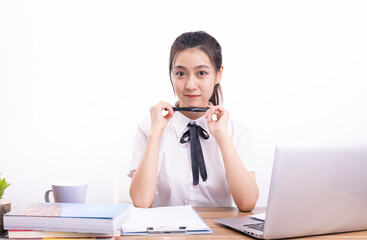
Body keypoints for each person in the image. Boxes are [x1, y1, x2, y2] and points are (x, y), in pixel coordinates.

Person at [128, 31, 259, 211]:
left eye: (202, 73)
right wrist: (155, 134)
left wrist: (222, 136)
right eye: (181, 73)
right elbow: (141, 202)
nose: (190, 85)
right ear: (171, 75)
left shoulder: (236, 131)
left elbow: (247, 203)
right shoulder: (150, 127)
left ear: (218, 74)